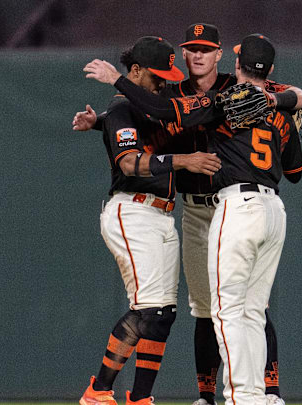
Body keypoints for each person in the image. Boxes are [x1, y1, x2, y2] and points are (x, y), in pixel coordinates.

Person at [74, 23, 302, 405]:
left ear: (225, 55)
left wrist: (281, 100)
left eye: (206, 49)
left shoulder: (225, 93)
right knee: (211, 308)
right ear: (184, 54)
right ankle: (211, 396)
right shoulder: (186, 92)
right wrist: (103, 121)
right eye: (192, 49)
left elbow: (301, 96)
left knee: (226, 309)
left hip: (229, 206)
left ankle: (258, 394)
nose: (198, 55)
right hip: (219, 208)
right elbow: (149, 114)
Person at [78, 36, 222, 405]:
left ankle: (140, 398)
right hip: (132, 209)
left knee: (164, 313)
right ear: (136, 70)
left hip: (161, 214)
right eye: (156, 75)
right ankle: (99, 391)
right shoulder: (123, 107)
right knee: (148, 307)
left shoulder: (143, 106)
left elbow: (156, 117)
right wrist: (183, 161)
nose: (162, 82)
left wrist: (98, 123)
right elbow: (129, 163)